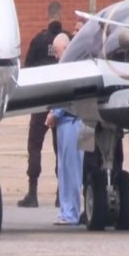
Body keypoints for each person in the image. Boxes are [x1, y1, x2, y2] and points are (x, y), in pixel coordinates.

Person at [17, 1, 68, 208]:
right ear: (61, 16)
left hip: (39, 102)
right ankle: (60, 194)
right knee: (60, 148)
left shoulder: (38, 41)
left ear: (48, 16)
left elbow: (26, 70)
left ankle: (33, 192)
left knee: (34, 146)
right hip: (60, 100)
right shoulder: (67, 40)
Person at [46, 33, 83, 225]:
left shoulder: (71, 68)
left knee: (71, 170)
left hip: (71, 122)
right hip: (64, 123)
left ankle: (71, 213)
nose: (55, 55)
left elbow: (69, 95)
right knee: (63, 169)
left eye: (57, 51)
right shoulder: (65, 66)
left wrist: (55, 113)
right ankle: (65, 210)